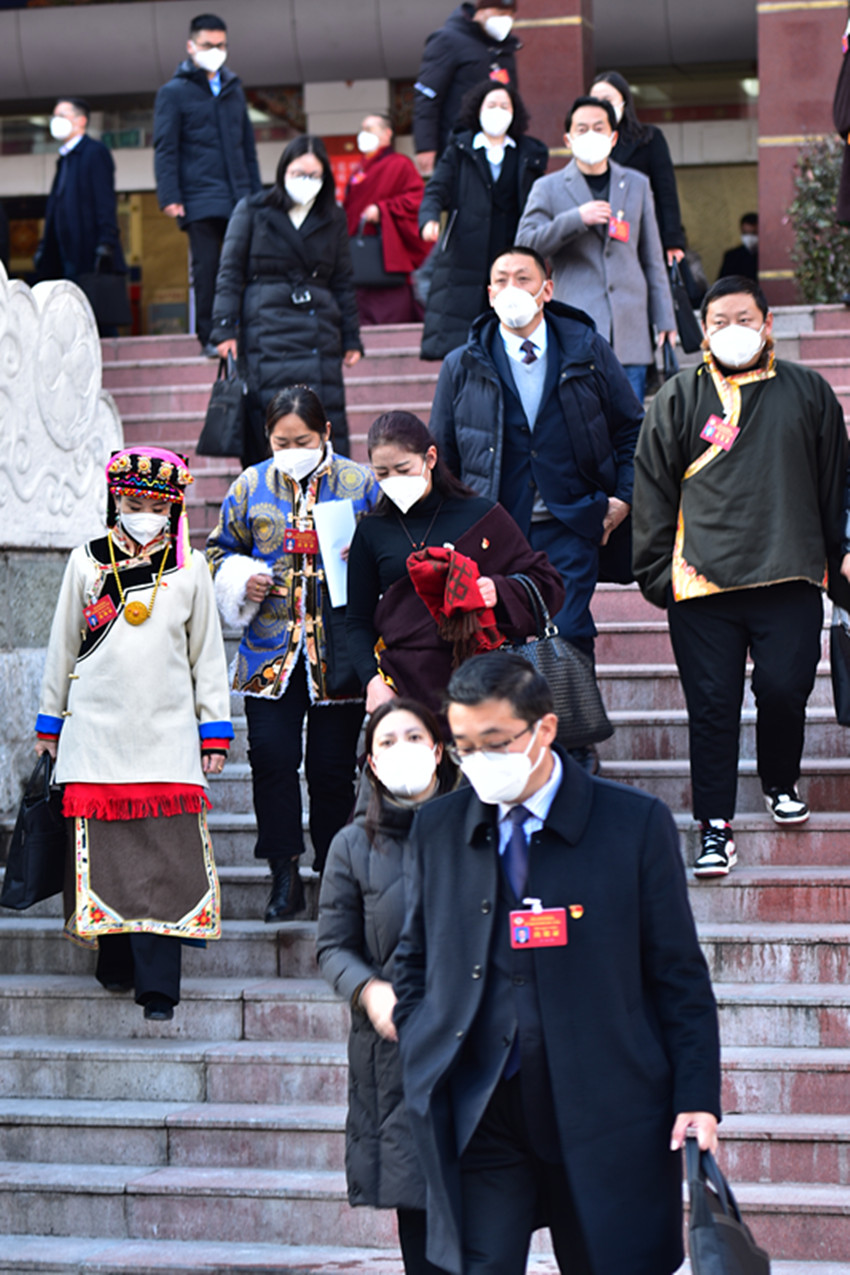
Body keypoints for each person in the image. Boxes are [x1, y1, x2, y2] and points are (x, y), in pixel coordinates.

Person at [392, 651, 721, 1275]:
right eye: (464, 746)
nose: (478, 761)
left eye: (495, 742)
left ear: (544, 729)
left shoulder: (633, 823)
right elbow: (414, 959)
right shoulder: (438, 828)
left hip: (609, 1104)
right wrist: (421, 1043)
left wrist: (698, 1096)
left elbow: (678, 974)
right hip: (483, 1105)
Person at [632, 276, 850, 878]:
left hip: (789, 574)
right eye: (720, 322)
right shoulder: (678, 398)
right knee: (711, 706)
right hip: (701, 585)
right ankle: (714, 825)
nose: (733, 331)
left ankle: (780, 781)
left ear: (768, 323)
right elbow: (652, 491)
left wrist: (840, 554)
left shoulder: (808, 391)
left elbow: (837, 481)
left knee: (784, 689)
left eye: (744, 319)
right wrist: (659, 575)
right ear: (703, 332)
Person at [35, 447, 233, 1021]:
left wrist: (214, 732)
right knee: (107, 860)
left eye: (155, 505)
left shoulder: (191, 568)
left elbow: (207, 657)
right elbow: (62, 647)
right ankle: (116, 963)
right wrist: (49, 724)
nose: (143, 514)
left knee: (166, 865)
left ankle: (159, 989)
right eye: (133, 503)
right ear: (115, 502)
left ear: (173, 509)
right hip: (95, 737)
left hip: (166, 738)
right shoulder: (86, 562)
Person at [207, 385, 378, 920]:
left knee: (331, 770)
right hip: (269, 653)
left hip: (339, 653)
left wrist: (365, 556)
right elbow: (217, 550)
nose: (292, 450)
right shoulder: (249, 484)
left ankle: (332, 873)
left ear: (325, 433)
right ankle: (283, 874)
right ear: (268, 439)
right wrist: (241, 579)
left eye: (302, 440)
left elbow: (394, 546)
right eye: (281, 442)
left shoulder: (359, 483)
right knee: (272, 761)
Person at [429, 246, 643, 674]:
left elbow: (630, 427)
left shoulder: (587, 349)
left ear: (546, 290)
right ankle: (516, 720)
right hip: (493, 526)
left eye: (523, 278)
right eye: (502, 280)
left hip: (570, 520)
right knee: (502, 636)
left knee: (567, 631)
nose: (512, 288)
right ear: (490, 294)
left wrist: (623, 498)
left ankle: (573, 719)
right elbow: (443, 452)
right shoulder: (462, 364)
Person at [317, 699, 458, 1275]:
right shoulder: (352, 846)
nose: (403, 750)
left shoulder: (477, 830)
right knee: (421, 1224)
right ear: (371, 763)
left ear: (439, 750)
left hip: (475, 1048)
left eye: (414, 737)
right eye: (387, 742)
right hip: (398, 1055)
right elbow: (332, 947)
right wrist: (368, 990)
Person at [346, 410, 564, 720]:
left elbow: (547, 583)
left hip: (481, 684)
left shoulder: (480, 515)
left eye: (403, 469)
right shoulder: (371, 531)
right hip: (404, 687)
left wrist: (499, 590)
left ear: (430, 458)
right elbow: (357, 621)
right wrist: (372, 681)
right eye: (382, 473)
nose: (393, 480)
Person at [212, 135, 362, 467]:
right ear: (283, 172)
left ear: (324, 178)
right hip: (265, 328)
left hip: (319, 330)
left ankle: (325, 493)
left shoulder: (333, 216)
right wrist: (224, 329)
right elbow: (230, 271)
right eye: (298, 173)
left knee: (319, 415)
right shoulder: (253, 209)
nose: (305, 181)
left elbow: (342, 280)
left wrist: (352, 337)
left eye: (314, 175)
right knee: (269, 415)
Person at [516, 95, 676, 402]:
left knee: (630, 419)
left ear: (613, 137)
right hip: (575, 328)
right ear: (568, 139)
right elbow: (526, 246)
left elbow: (652, 258)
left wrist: (665, 318)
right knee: (581, 417)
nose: (591, 134)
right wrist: (575, 219)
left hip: (630, 328)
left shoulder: (637, 184)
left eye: (599, 128)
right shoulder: (547, 187)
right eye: (582, 128)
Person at [154, 12, 262, 356]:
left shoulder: (234, 90)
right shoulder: (173, 93)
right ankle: (211, 336)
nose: (215, 51)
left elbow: (248, 148)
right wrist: (170, 195)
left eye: (221, 45)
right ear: (191, 46)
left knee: (244, 267)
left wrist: (256, 195)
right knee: (207, 269)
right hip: (198, 196)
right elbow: (165, 147)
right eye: (208, 45)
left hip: (238, 196)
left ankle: (244, 333)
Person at [418, 81, 547, 361]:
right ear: (478, 110)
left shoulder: (528, 153)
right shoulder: (459, 149)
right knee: (462, 345)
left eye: (504, 106)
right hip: (465, 255)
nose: (497, 111)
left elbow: (540, 200)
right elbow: (436, 189)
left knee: (511, 339)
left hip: (512, 253)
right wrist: (429, 218)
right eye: (491, 105)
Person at [34, 97, 127, 326]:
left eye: (61, 115)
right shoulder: (65, 159)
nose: (56, 121)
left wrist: (106, 241)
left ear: (81, 120)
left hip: (87, 250)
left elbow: (105, 201)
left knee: (95, 315)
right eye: (54, 116)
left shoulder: (94, 153)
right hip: (64, 252)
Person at [413, 1, 520, 178]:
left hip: (499, 147)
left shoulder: (505, 47)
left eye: (511, 14)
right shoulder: (448, 40)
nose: (506, 19)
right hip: (458, 145)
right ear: (480, 11)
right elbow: (428, 96)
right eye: (500, 12)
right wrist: (426, 146)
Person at [589, 71, 686, 267]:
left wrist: (672, 241)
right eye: (595, 102)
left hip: (643, 234)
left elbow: (666, 191)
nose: (602, 107)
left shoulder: (648, 138)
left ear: (623, 102)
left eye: (607, 100)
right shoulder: (587, 144)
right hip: (598, 240)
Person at [344, 112, 429, 326]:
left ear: (387, 133)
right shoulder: (359, 169)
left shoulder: (400, 164)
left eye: (369, 129)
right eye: (362, 129)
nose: (363, 134)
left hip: (389, 260)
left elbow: (417, 201)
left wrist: (383, 210)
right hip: (360, 260)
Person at [717, 212, 759, 282]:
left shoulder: (769, 257)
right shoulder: (731, 257)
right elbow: (723, 283)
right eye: (745, 233)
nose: (749, 238)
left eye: (754, 233)